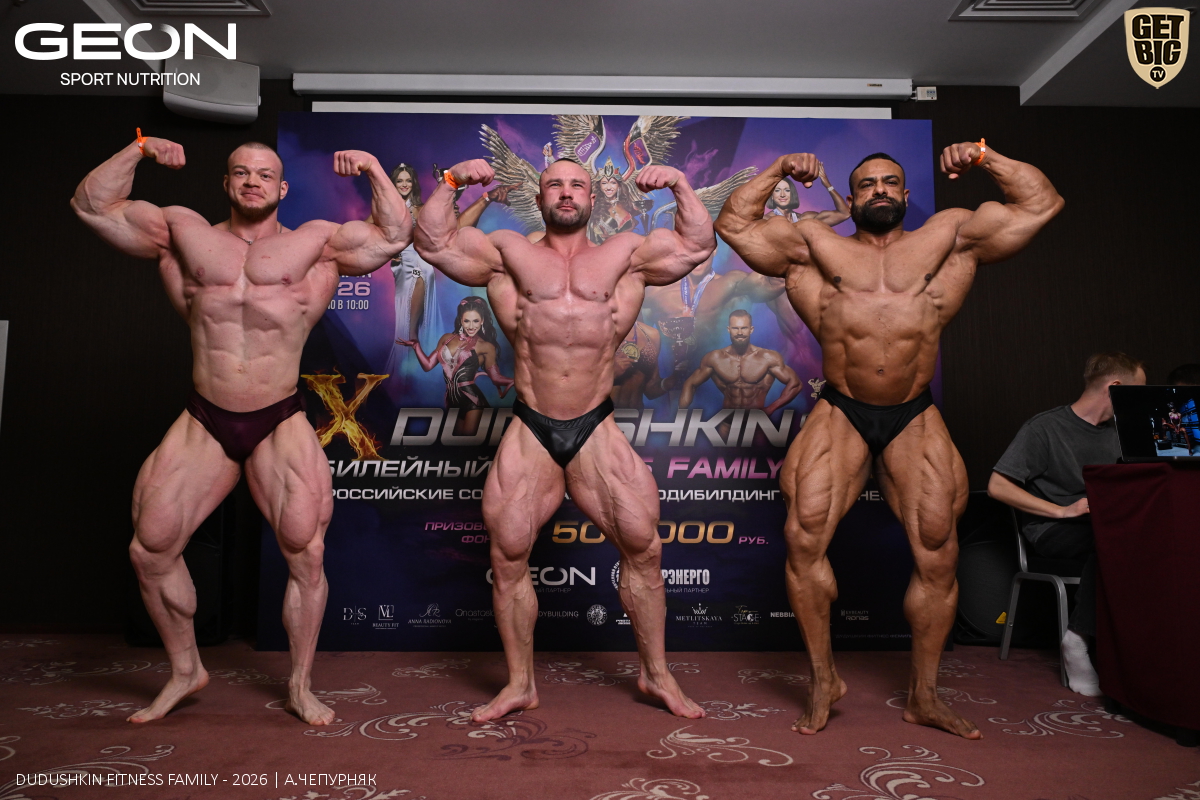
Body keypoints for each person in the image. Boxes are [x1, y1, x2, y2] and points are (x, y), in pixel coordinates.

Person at [715, 144, 1064, 738]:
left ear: (904, 193)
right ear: (850, 199)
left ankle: (924, 695)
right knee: (804, 534)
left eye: (890, 182)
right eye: (867, 184)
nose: (879, 190)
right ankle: (823, 679)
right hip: (842, 406)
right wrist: (776, 170)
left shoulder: (950, 237)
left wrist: (984, 157)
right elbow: (734, 224)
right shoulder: (812, 244)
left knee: (938, 546)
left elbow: (1041, 203)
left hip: (912, 411)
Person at [72, 134, 410, 724]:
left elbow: (393, 234)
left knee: (305, 551)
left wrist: (375, 168)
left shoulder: (316, 242)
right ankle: (186, 669)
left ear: (283, 188)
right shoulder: (183, 232)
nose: (252, 181)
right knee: (150, 548)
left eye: (264, 174)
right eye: (241, 172)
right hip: (206, 414)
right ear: (226, 183)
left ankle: (300, 685)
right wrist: (139, 149)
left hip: (280, 416)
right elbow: (91, 205)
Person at [414, 157, 714, 723]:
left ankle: (656, 673)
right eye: (555, 184)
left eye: (578, 184)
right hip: (531, 423)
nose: (567, 192)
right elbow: (432, 241)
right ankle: (519, 684)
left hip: (595, 423)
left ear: (593, 198)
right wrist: (450, 182)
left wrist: (679, 183)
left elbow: (697, 244)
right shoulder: (508, 253)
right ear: (540, 197)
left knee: (644, 548)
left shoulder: (625, 255)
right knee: (508, 554)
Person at [988, 352, 1145, 696]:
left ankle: (1139, 652)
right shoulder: (1044, 428)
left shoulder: (1122, 433)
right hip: (1053, 530)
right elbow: (997, 486)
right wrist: (1061, 511)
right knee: (1110, 541)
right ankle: (1077, 639)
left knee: (1145, 540)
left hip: (1106, 526)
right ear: (1116, 387)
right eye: (1138, 392)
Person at [398, 295, 514, 435]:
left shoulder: (486, 346)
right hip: (452, 401)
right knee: (457, 443)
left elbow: (496, 378)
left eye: (476, 321)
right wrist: (416, 347)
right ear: (461, 320)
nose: (471, 326)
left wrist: (515, 381)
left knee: (468, 442)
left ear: (482, 321)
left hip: (472, 400)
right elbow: (427, 366)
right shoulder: (446, 339)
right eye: (467, 321)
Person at [679, 309, 802, 418]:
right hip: (727, 421)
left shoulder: (768, 358)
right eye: (735, 328)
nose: (739, 332)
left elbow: (795, 385)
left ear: (751, 330)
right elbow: (690, 384)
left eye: (744, 328)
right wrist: (680, 415)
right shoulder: (714, 358)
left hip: (756, 421)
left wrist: (771, 408)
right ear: (729, 329)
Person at [611, 321, 676, 410]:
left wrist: (672, 380)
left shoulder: (652, 334)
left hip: (636, 414)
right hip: (603, 415)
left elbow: (650, 388)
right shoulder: (597, 331)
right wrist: (610, 373)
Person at [765, 163, 850, 226]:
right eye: (777, 190)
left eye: (787, 190)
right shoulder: (766, 220)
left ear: (792, 194)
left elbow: (844, 213)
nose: (782, 194)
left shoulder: (804, 219)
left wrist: (827, 185)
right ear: (772, 196)